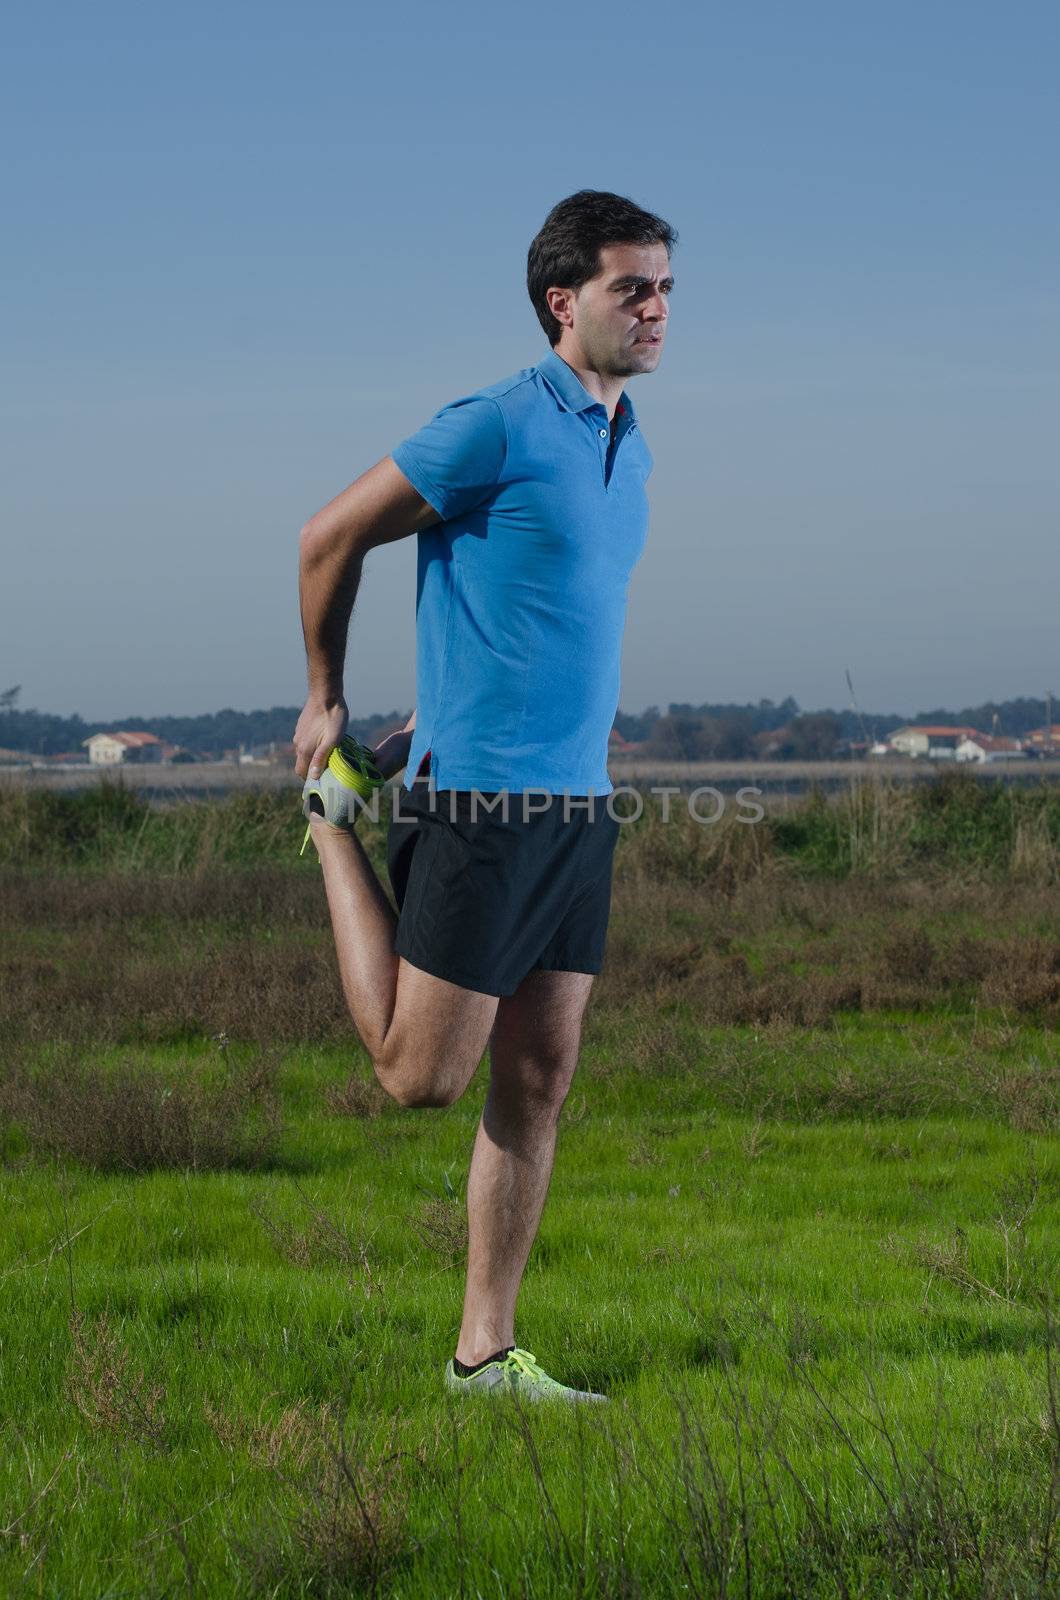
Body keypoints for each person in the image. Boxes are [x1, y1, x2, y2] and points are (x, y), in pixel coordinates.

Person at [292, 189, 675, 1402]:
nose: (658, 308)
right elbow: (326, 537)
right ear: (566, 302)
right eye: (634, 287)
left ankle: (484, 1356)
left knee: (537, 1079)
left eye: (665, 285)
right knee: (422, 1078)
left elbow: (541, 619)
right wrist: (325, 700)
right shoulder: (496, 426)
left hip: (574, 812)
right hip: (479, 811)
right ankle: (325, 828)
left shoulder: (631, 443)